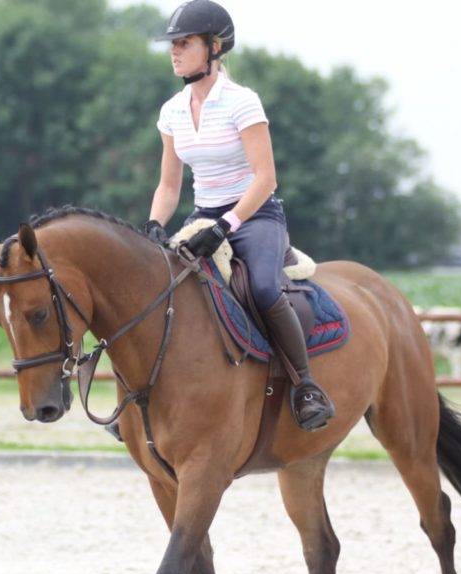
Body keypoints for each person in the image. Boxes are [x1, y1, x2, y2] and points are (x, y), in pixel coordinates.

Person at [143, 0, 335, 431]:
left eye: (184, 43)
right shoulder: (171, 111)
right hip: (202, 215)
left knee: (264, 288)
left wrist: (226, 226)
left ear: (214, 47)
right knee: (162, 288)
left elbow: (266, 178)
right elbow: (169, 185)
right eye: (173, 44)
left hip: (255, 216)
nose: (174, 51)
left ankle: (306, 385)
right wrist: (155, 224)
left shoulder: (241, 102)